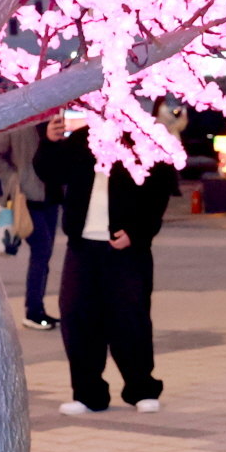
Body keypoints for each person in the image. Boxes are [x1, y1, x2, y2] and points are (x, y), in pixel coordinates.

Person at [39, 115, 177, 414]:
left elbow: (160, 190)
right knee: (77, 316)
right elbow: (50, 172)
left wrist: (138, 232)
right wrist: (49, 142)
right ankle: (87, 394)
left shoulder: (143, 137)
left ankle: (141, 388)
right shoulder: (82, 138)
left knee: (129, 317)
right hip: (82, 244)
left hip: (126, 247)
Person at [0, 119, 60, 329]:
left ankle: (37, 309)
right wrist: (13, 177)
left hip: (51, 197)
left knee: (44, 253)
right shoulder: (18, 125)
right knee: (42, 250)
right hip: (26, 199)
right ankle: (33, 312)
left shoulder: (56, 122)